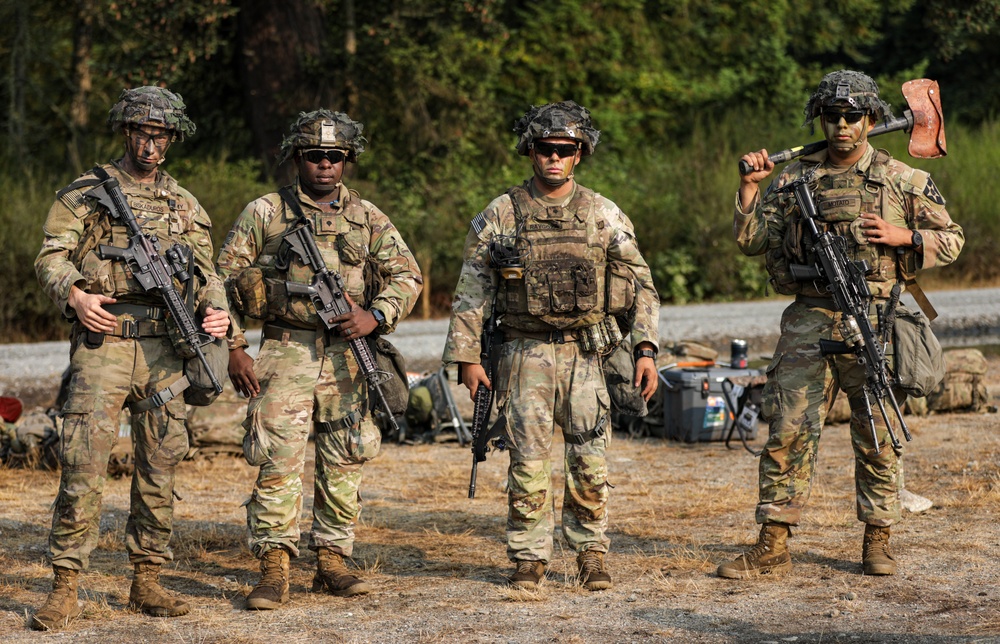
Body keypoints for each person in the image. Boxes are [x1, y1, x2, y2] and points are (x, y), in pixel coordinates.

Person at [718, 70, 964, 579]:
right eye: (832, 116)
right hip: (809, 318)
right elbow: (752, 241)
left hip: (876, 318)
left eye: (853, 116)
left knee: (877, 431)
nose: (842, 126)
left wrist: (905, 236)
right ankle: (772, 544)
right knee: (787, 429)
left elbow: (954, 240)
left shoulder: (902, 180)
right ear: (822, 120)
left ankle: (878, 539)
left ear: (872, 120)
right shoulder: (793, 180)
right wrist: (748, 189)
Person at [32, 86, 231, 630]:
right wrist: (75, 292)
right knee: (83, 460)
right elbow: (50, 257)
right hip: (106, 344)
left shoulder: (185, 203)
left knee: (161, 461)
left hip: (167, 347)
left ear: (172, 139)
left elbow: (210, 275)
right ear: (126, 131)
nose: (151, 144)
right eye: (143, 132)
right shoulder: (86, 193)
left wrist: (218, 313)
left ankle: (148, 579)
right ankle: (66, 585)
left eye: (161, 134)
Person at [443, 101, 660, 592]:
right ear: (530, 151)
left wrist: (645, 350)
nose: (554, 159)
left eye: (565, 150)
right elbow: (472, 289)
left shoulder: (602, 213)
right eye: (545, 149)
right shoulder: (503, 213)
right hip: (524, 353)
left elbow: (642, 285)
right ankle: (529, 557)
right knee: (528, 458)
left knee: (590, 457)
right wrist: (467, 358)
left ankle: (590, 554)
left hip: (587, 354)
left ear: (579, 154)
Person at [217, 109, 422, 610]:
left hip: (347, 353)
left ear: (347, 160)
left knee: (347, 453)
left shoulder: (368, 216)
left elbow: (408, 275)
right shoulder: (265, 212)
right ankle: (274, 567)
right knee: (276, 457)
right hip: (286, 348)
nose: (325, 165)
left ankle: (332, 559)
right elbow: (218, 280)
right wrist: (236, 347)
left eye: (335, 156)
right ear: (297, 157)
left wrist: (376, 315)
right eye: (314, 156)